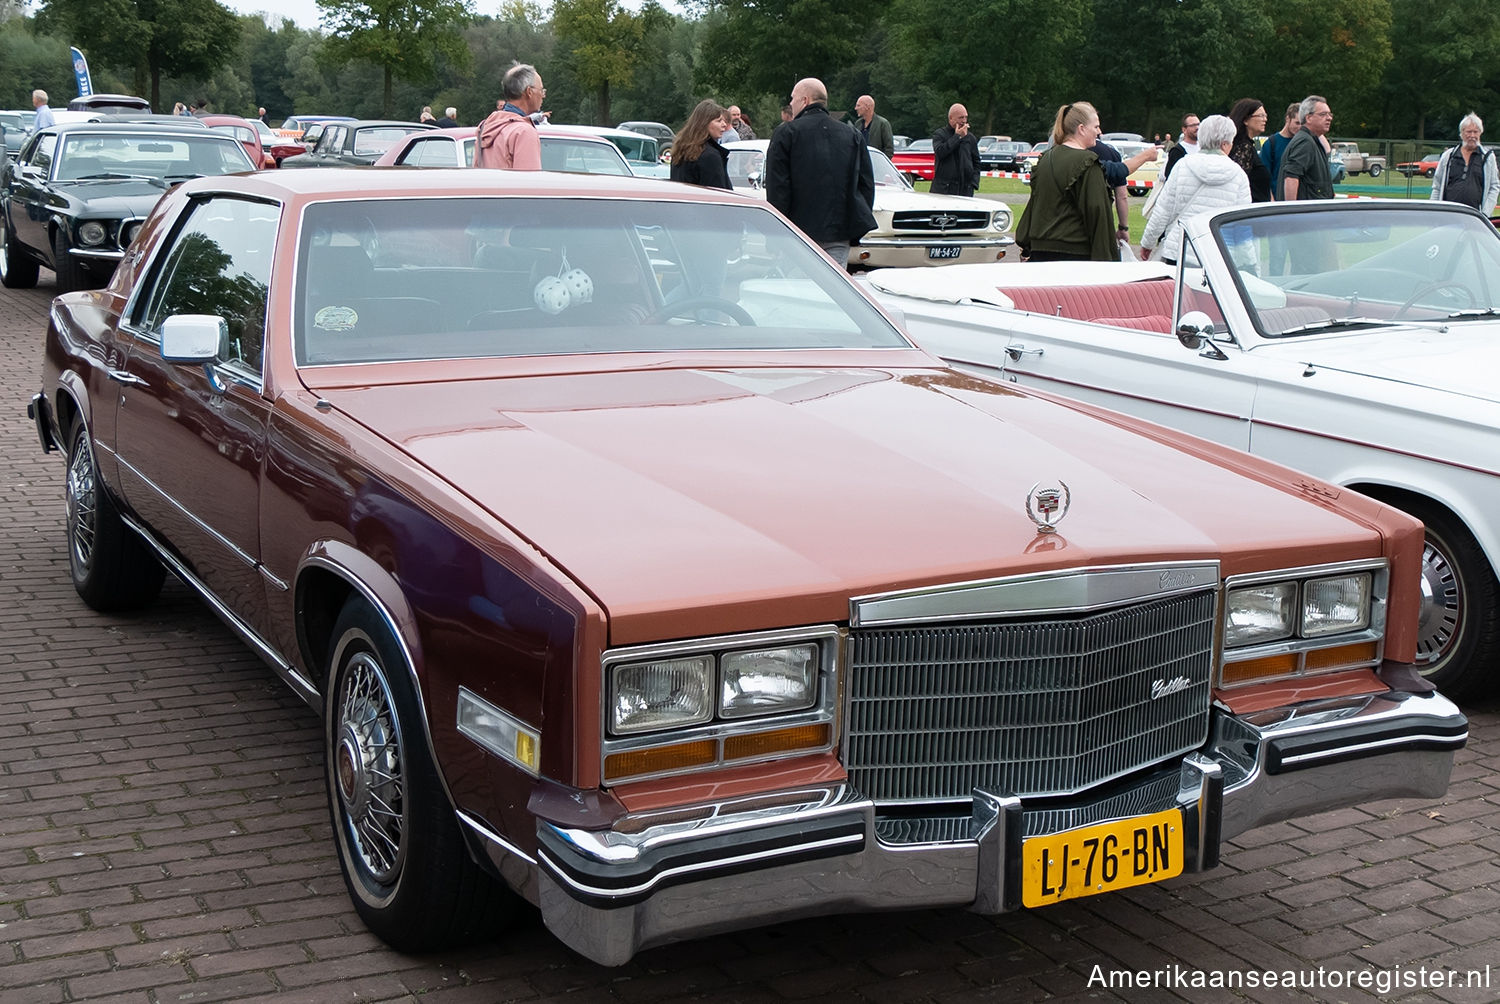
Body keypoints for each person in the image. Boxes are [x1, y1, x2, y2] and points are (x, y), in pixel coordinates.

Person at [765, 77, 876, 269]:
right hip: (839, 231)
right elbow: (865, 185)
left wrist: (776, 234)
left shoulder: (787, 134)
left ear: (805, 100)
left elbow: (778, 189)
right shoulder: (852, 135)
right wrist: (854, 229)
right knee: (833, 291)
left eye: (793, 98)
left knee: (795, 291)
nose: (791, 103)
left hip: (797, 233)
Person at [1014, 101, 1118, 262]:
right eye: (1096, 127)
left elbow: (1034, 206)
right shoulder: (1088, 163)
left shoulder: (1046, 158)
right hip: (1074, 257)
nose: (1099, 132)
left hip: (1040, 254)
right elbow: (1098, 215)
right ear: (1081, 129)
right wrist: (1106, 262)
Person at [1140, 115, 1250, 265]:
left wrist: (1148, 243)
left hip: (1180, 249)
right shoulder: (1238, 174)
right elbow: (1241, 224)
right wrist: (1249, 262)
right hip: (1218, 254)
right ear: (1225, 144)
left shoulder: (1183, 165)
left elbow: (1163, 210)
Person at [474, 64, 545, 170]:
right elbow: (530, 182)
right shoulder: (523, 132)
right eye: (541, 90)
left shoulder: (485, 126)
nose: (543, 95)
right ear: (529, 92)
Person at [1430, 112, 1500, 216]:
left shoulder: (1488, 158)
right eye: (1469, 132)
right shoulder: (1448, 156)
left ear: (1480, 133)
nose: (1472, 136)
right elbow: (1437, 186)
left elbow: (1494, 187)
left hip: (1475, 217)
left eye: (1476, 132)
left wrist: (1485, 213)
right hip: (1448, 214)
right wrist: (1433, 210)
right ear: (1462, 133)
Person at [1277, 95, 1335, 201]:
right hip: (1305, 215)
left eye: (1329, 114)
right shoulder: (1305, 142)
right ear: (1308, 118)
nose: (1329, 118)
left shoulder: (1311, 140)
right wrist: (1292, 211)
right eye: (1323, 114)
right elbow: (1291, 177)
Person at [669, 99, 732, 189]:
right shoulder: (710, 156)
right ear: (704, 124)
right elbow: (717, 195)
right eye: (719, 121)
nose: (724, 124)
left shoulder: (680, 150)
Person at [1228, 98, 1272, 202]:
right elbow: (1238, 184)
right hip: (1251, 211)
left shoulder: (1247, 146)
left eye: (1265, 115)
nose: (1265, 119)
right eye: (1261, 115)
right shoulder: (1243, 148)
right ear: (1246, 120)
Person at [931, 103, 980, 196]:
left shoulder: (970, 138)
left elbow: (976, 162)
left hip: (965, 190)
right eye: (961, 118)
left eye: (966, 117)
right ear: (951, 118)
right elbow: (940, 152)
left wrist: (973, 183)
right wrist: (957, 137)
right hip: (944, 189)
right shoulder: (940, 134)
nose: (964, 121)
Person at [1259, 104, 1301, 199]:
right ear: (1287, 119)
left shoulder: (1303, 143)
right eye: (1297, 123)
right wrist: (1271, 199)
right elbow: (1264, 176)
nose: (1300, 127)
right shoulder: (1271, 143)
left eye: (1303, 124)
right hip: (1277, 199)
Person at [851, 94, 894, 159]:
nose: (856, 108)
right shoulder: (858, 124)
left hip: (876, 164)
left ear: (867, 107)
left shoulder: (883, 123)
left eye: (858, 105)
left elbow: (889, 149)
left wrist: (880, 163)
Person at [1163, 113, 1200, 179]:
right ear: (1184, 130)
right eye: (1193, 125)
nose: (1197, 127)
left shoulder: (1205, 148)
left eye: (1198, 124)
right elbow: (1169, 176)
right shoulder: (1177, 151)